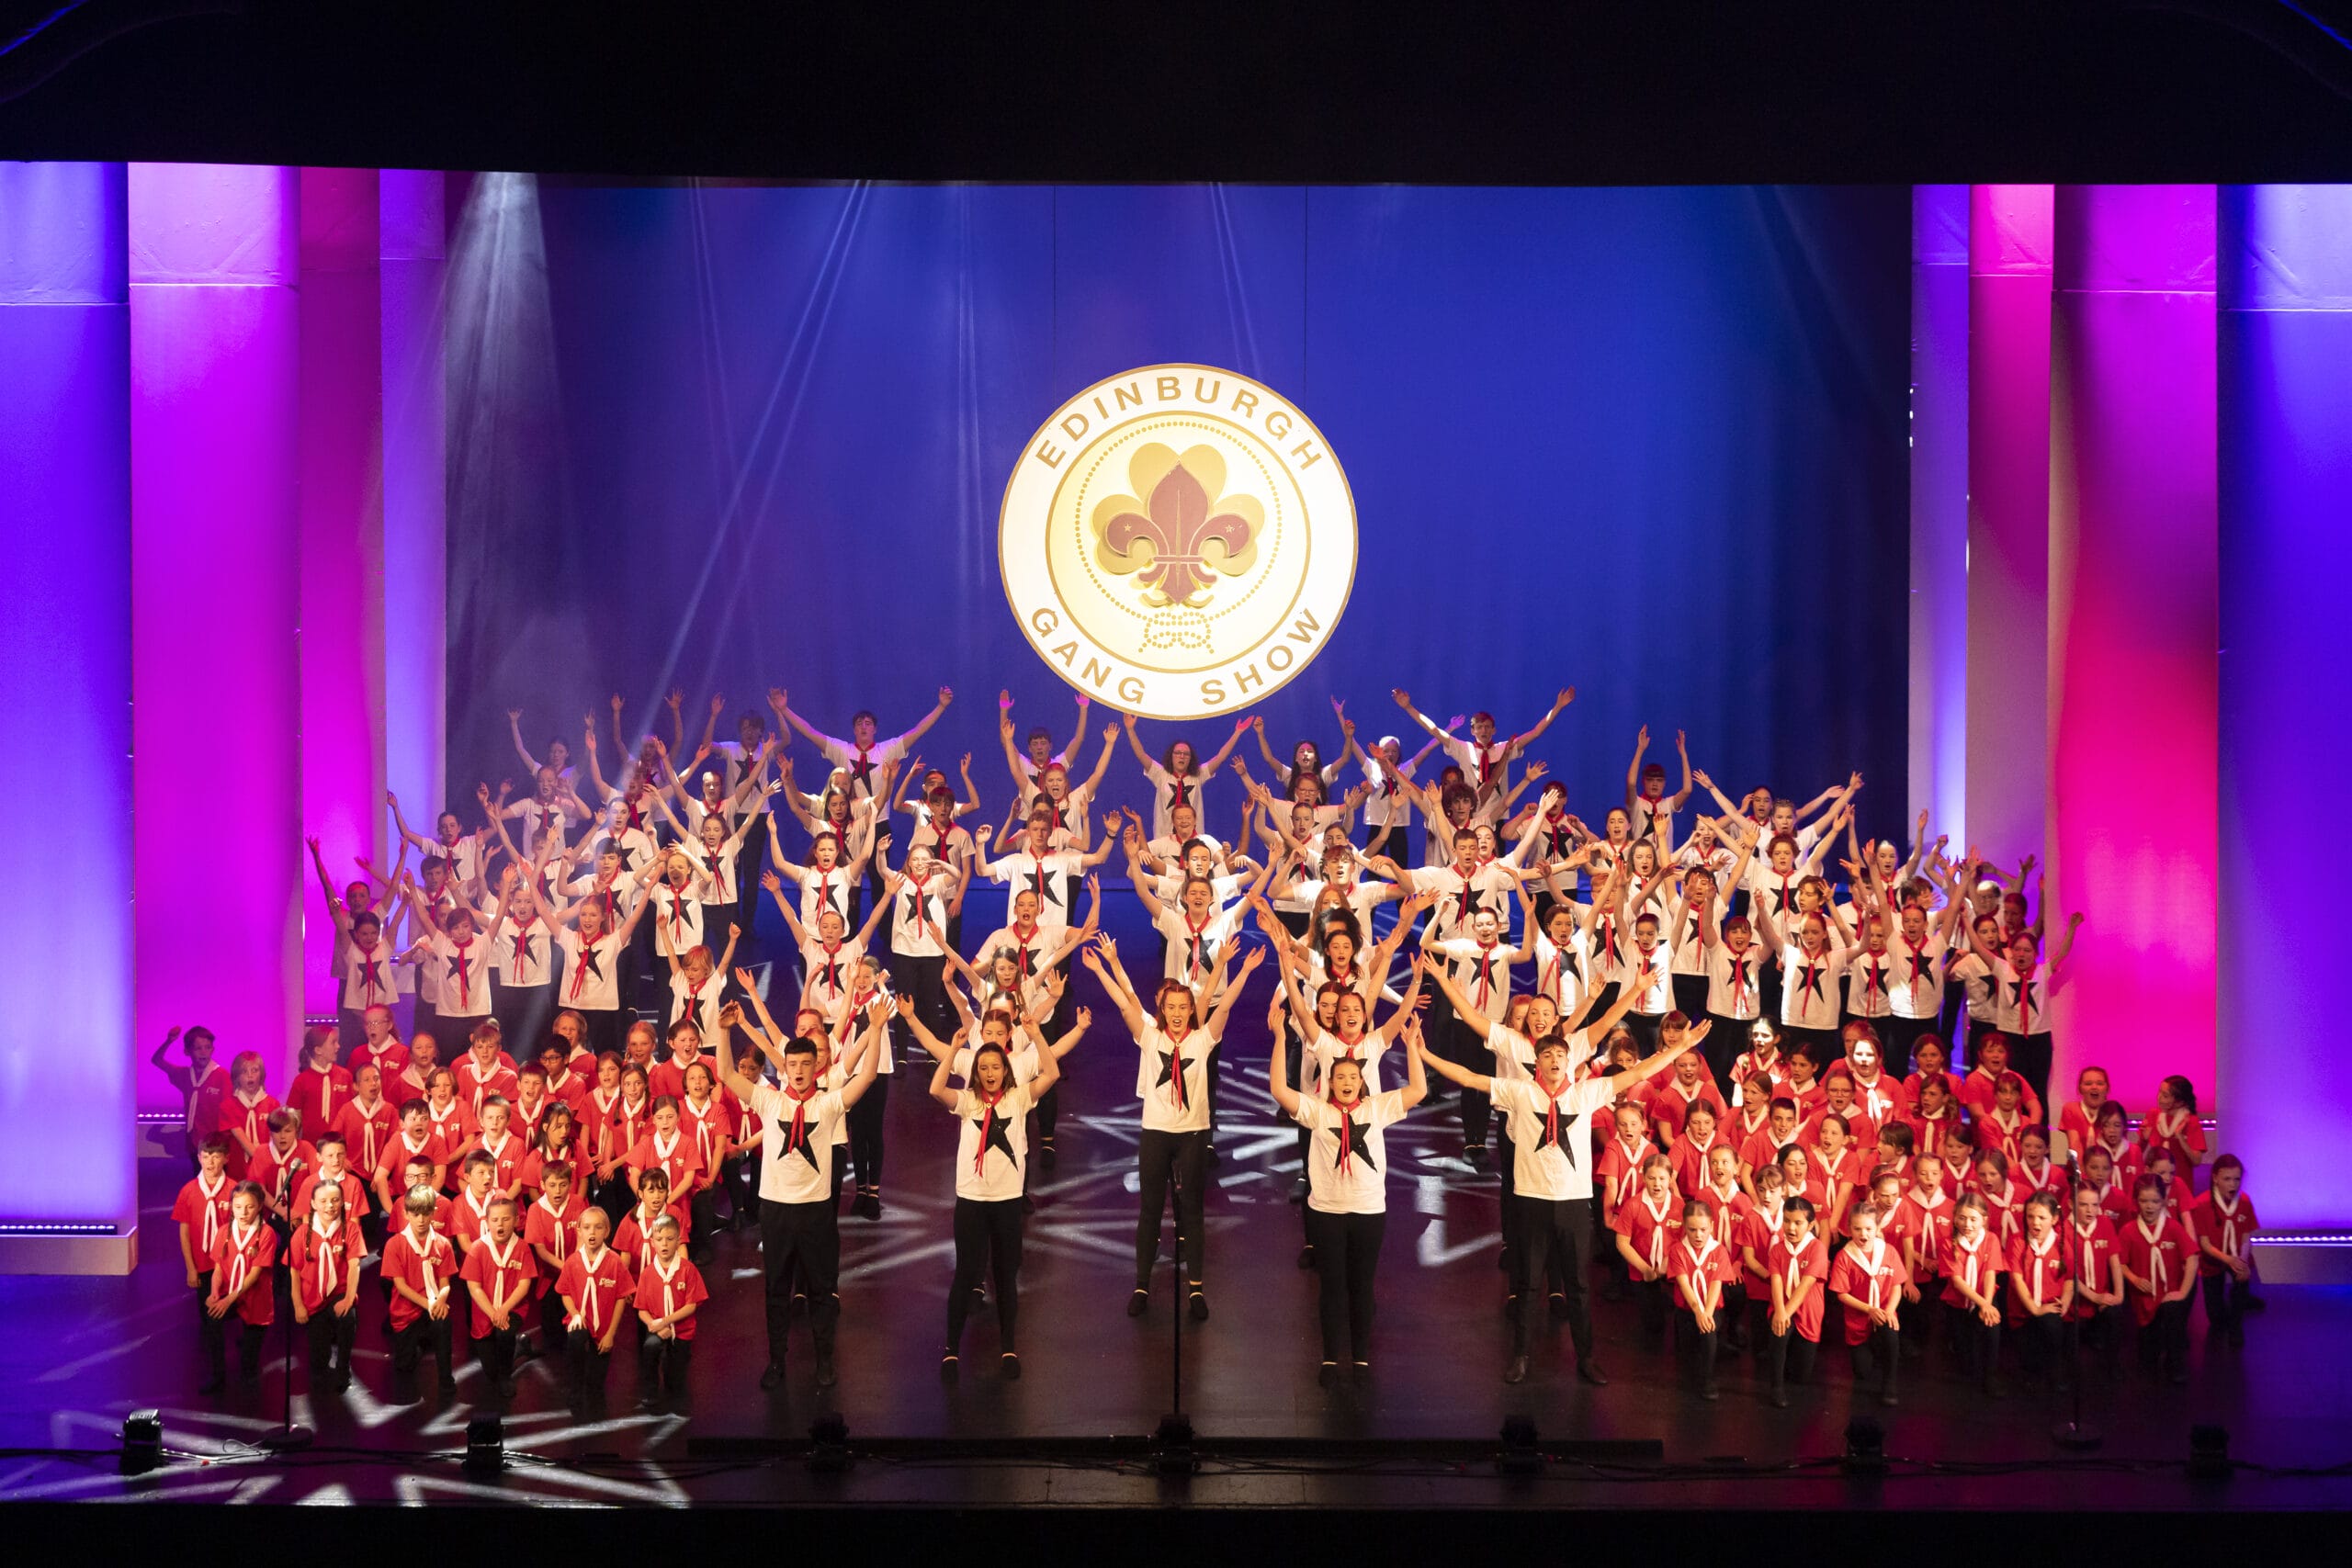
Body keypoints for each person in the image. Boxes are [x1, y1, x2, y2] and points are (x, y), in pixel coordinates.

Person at [1415, 1011, 1712, 1385]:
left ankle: (1586, 1358)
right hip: (1531, 1199)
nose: (1555, 1062)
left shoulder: (1586, 1092)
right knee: (1527, 1284)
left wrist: (1681, 1046)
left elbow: (1637, 1073)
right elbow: (1470, 1078)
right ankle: (1521, 1355)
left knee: (1578, 1285)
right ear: (1536, 1063)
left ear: (1568, 1062)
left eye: (1560, 1057)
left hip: (1572, 1202)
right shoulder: (1520, 1092)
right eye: (1548, 1057)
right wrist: (1426, 1055)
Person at [1084, 931, 1264, 1323]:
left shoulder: (1202, 1041)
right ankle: (1142, 1285)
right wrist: (1103, 968)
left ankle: (1196, 1288)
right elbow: (1125, 1000)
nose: (1180, 1012)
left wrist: (1243, 971)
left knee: (1192, 1211)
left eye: (1185, 1006)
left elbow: (1224, 1003)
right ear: (1163, 1010)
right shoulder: (1149, 1037)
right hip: (1156, 1134)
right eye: (1173, 1007)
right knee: (1150, 1211)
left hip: (1194, 1135)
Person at [715, 989, 884, 1391]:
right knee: (776, 1289)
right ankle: (776, 1362)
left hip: (815, 1210)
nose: (800, 1070)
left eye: (807, 1064)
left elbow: (869, 1076)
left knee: (822, 1290)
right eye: (793, 1064)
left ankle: (825, 1361)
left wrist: (876, 1030)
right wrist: (724, 1032)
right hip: (775, 1210)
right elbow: (726, 1074)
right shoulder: (770, 1101)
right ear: (785, 1068)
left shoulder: (826, 1105)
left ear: (815, 1066)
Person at [1267, 1009, 1430, 1387]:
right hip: (1326, 1213)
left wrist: (1412, 1049)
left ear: (1361, 1082)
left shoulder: (1376, 1109)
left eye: (1352, 1078)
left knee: (1361, 1285)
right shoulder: (1317, 1111)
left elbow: (1418, 1091)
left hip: (1369, 1211)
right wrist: (1278, 1037)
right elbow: (1279, 1090)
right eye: (1339, 1077)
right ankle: (1329, 1358)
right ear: (1328, 1080)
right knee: (1332, 1288)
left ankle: (1360, 1359)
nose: (1346, 1082)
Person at [929, 1010, 1075, 1381]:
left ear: (1005, 1070)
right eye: (983, 1069)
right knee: (966, 1274)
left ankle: (1008, 1346)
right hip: (972, 1200)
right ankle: (951, 1350)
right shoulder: (967, 1102)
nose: (990, 1073)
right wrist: (953, 1050)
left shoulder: (1018, 1098)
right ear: (976, 1073)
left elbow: (1053, 1073)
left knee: (1006, 1275)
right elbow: (935, 1090)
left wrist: (1036, 1034)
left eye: (996, 1067)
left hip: (1008, 1201)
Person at [556, 1205, 636, 1418]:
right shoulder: (572, 1262)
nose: (592, 1232)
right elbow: (564, 1292)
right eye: (587, 1227)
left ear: (607, 1231)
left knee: (596, 1385)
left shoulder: (615, 1262)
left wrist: (610, 1334)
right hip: (580, 1321)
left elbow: (621, 1298)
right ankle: (574, 1387)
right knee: (576, 1340)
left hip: (604, 1328)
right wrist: (575, 1314)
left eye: (598, 1227)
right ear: (579, 1231)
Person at [198, 1181, 277, 1394]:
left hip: (255, 1298)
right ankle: (218, 1375)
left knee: (248, 1365)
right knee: (212, 1320)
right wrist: (215, 1293)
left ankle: (250, 1392)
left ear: (260, 1206)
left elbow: (254, 1275)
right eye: (238, 1206)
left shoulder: (266, 1234)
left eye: (249, 1206)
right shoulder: (224, 1231)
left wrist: (228, 1300)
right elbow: (217, 1269)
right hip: (229, 1293)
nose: (243, 1212)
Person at [2118, 1172, 2198, 1384]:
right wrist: (2133, 1278)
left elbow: (2192, 1258)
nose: (2149, 1206)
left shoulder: (2173, 1227)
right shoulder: (2128, 1230)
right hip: (2143, 1300)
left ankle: (2175, 1363)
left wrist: (2183, 1293)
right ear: (2136, 1202)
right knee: (2147, 1361)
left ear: (2163, 1201)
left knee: (2173, 1323)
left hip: (2168, 1297)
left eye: (2155, 1201)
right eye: (2144, 1201)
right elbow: (2120, 1262)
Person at [382, 1186, 459, 1403]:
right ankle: (417, 1347)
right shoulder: (395, 1244)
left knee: (444, 1324)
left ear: (433, 1212)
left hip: (432, 1306)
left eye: (426, 1213)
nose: (421, 1219)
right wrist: (430, 1303)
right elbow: (401, 1286)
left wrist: (441, 1299)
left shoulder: (443, 1244)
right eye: (415, 1214)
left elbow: (445, 1283)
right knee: (404, 1366)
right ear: (406, 1214)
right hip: (407, 1312)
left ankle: (446, 1379)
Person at [1828, 1202, 1906, 1406]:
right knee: (1862, 1373)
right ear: (1849, 1229)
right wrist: (1869, 1309)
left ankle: (1890, 1384)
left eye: (1869, 1229)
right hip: (1858, 1320)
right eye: (1857, 1229)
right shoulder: (1844, 1256)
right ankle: (1869, 1351)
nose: (1863, 1234)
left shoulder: (1888, 1251)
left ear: (1877, 1229)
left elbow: (1897, 1285)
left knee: (1891, 1332)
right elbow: (1842, 1294)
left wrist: (1889, 1311)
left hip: (1883, 1313)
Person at [634, 1213, 707, 1409]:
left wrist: (664, 1321)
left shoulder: (688, 1269)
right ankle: (650, 1389)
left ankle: (675, 1387)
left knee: (676, 1375)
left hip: (682, 1331)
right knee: (649, 1348)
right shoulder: (647, 1274)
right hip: (657, 1328)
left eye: (670, 1239)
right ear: (652, 1242)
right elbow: (641, 1310)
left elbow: (691, 1305)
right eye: (659, 1240)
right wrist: (655, 1326)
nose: (664, 1244)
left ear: (678, 1240)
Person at [1668, 1198, 1739, 1401]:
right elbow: (1684, 1285)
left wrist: (1706, 1313)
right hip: (1687, 1310)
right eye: (1692, 1230)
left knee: (1708, 1332)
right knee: (1688, 1353)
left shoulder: (1719, 1251)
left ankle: (1709, 1379)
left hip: (1711, 1308)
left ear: (1711, 1227)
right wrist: (1697, 1312)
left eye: (1702, 1229)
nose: (1698, 1235)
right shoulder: (1677, 1251)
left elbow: (1717, 1284)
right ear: (1685, 1228)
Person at [2193, 1153, 2258, 1348]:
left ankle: (2237, 1322)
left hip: (2237, 1255)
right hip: (2213, 1258)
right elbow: (2204, 1244)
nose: (2233, 1184)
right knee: (2215, 1317)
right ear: (2215, 1178)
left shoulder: (2244, 1201)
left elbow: (2247, 1236)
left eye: (2237, 1179)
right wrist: (2227, 1260)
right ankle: (2234, 1306)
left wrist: (2242, 1262)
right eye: (2227, 1179)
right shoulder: (2202, 1203)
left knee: (2242, 1278)